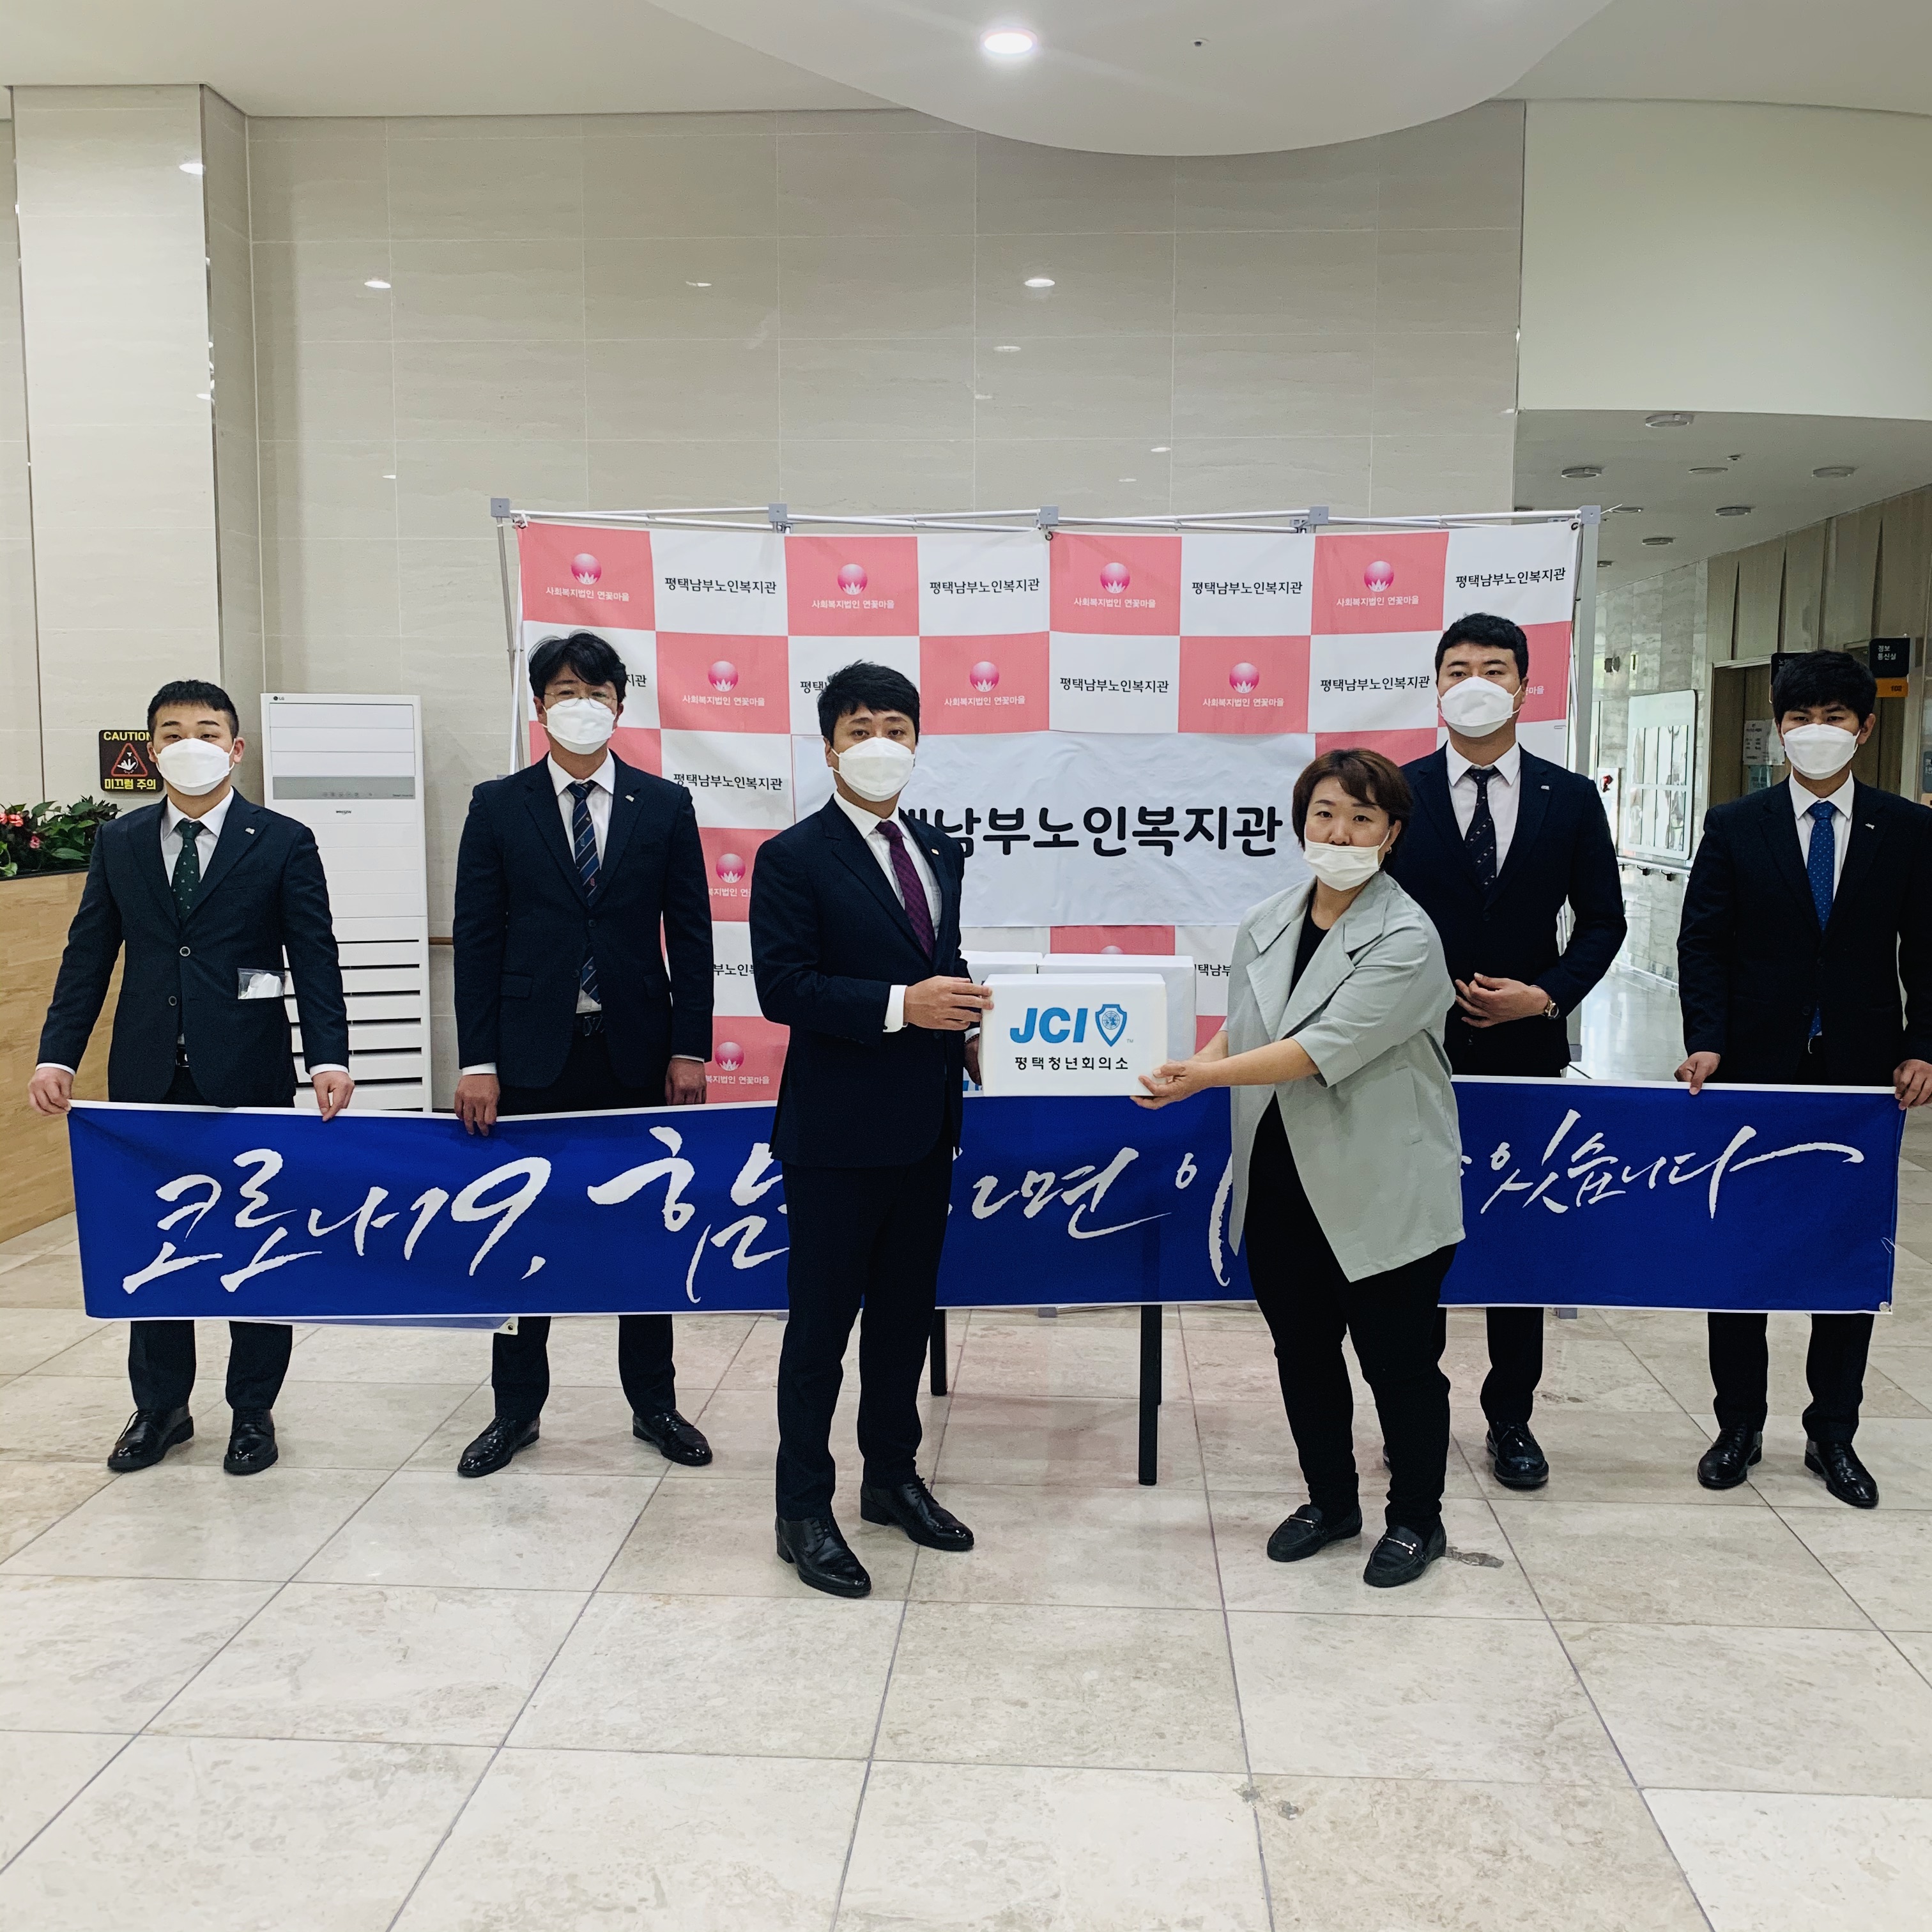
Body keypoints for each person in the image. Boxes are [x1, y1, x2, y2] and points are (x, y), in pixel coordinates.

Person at [1138, 749, 1464, 1588]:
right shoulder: (1268, 918)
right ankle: (1331, 1502)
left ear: (1391, 834)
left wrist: (1203, 1079)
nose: (1340, 832)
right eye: (1325, 813)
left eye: (1362, 818)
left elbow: (1319, 1049)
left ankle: (1416, 1520)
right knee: (1303, 1352)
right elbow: (1248, 1027)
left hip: (1381, 1184)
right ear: (1301, 822)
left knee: (1398, 1363)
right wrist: (1195, 1064)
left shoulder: (1407, 936)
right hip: (1282, 1178)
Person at [29, 678, 353, 1476]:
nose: (190, 745)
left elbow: (313, 955)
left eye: (206, 731)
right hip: (145, 1078)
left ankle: (252, 1411)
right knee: (154, 1242)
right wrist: (58, 1052)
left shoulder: (282, 840)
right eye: (172, 733)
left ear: (235, 749)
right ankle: (161, 1408)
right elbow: (88, 954)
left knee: (256, 1243)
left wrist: (329, 1056)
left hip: (249, 1072)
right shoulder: (121, 841)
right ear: (150, 752)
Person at [748, 661, 988, 1598]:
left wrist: (968, 1028)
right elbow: (785, 988)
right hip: (836, 1135)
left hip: (927, 1126)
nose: (880, 745)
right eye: (860, 730)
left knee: (902, 1321)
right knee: (821, 1332)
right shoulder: (793, 856)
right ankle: (801, 1508)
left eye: (897, 728)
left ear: (918, 742)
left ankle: (891, 1478)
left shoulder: (938, 848)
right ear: (830, 748)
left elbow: (943, 963)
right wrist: (902, 1005)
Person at [450, 630, 715, 1476]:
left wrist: (690, 1048)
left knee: (645, 1233)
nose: (582, 705)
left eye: (597, 692)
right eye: (566, 690)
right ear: (540, 706)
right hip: (531, 1058)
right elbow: (477, 940)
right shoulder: (499, 805)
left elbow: (694, 937)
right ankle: (515, 1411)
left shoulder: (663, 806)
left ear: (620, 706)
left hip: (635, 1054)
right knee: (521, 1230)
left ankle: (654, 1404)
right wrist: (478, 1062)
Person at [1677, 648, 1932, 1506]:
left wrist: (1924, 1045)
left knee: (1844, 1252)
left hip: (1861, 1077)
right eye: (1799, 719)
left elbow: (1927, 952)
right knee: (1740, 1248)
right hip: (1752, 1069)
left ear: (1866, 728)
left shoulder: (1905, 829)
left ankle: (1833, 1433)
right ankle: (1738, 1426)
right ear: (1779, 729)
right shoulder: (1735, 825)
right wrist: (1707, 1040)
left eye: (1833, 719)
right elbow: (1703, 945)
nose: (1815, 732)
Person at [1385, 612, 1625, 1491]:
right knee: (1413, 1241)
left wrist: (1546, 993)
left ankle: (1512, 1418)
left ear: (1525, 687)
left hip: (1527, 1052)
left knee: (1519, 1237)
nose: (1475, 683)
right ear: (1437, 687)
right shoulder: (1397, 793)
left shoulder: (1572, 798)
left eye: (1494, 668)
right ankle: (1415, 1414)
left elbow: (1604, 921)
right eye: (1457, 669)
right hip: (1410, 1051)